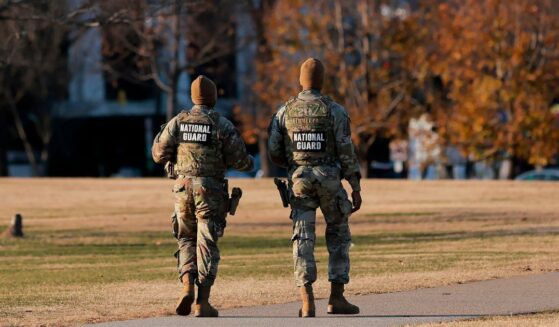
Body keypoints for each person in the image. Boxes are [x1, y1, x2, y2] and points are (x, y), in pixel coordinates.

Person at [152, 75, 254, 317]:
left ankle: (187, 286)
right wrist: (248, 162)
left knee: (186, 239)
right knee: (206, 242)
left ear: (192, 97)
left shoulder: (178, 121)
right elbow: (242, 161)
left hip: (182, 188)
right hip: (210, 191)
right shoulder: (221, 124)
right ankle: (202, 302)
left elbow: (158, 154)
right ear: (213, 97)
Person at [267, 58, 362, 317]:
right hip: (330, 180)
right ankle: (337, 298)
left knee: (302, 238)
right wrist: (355, 186)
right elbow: (346, 151)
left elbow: (274, 150)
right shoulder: (335, 111)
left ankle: (307, 300)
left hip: (300, 181)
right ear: (321, 81)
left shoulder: (284, 112)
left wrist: (295, 164)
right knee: (339, 235)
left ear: (301, 81)